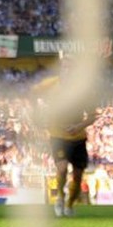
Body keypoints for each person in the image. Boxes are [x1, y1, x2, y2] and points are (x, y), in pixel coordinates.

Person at [31, 58, 95, 218]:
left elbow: (92, 116)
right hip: (58, 135)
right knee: (62, 167)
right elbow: (32, 93)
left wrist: (78, 127)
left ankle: (70, 204)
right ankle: (59, 197)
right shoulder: (51, 84)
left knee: (78, 175)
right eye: (66, 67)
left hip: (78, 137)